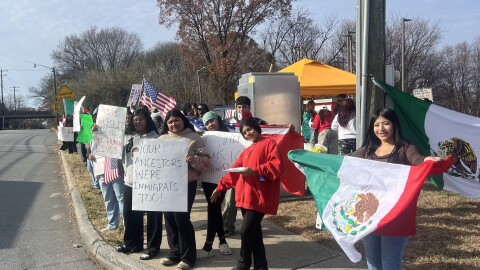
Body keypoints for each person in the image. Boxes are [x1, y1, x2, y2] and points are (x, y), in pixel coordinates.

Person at [350, 108, 441, 270]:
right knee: (373, 263)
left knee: (390, 264)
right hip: (371, 215)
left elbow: (417, 159)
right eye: (377, 125)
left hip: (396, 215)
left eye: (386, 123)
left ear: (395, 125)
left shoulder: (405, 148)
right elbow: (341, 162)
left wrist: (426, 160)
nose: (381, 129)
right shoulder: (367, 151)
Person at [211, 117, 283, 270]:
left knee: (246, 232)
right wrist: (220, 187)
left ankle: (243, 264)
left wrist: (255, 171)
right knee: (254, 235)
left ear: (256, 128)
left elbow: (276, 166)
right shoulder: (246, 151)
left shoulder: (269, 143)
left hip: (258, 199)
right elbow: (233, 172)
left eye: (249, 129)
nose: (248, 133)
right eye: (244, 132)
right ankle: (261, 266)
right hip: (245, 199)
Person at [159, 109, 210, 270]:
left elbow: (206, 161)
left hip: (186, 184)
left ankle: (188, 257)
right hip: (166, 184)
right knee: (169, 217)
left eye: (176, 120)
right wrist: (138, 153)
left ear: (183, 121)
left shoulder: (194, 138)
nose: (173, 124)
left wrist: (194, 160)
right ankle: (175, 253)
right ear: (166, 124)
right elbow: (151, 159)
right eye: (170, 122)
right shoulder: (161, 139)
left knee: (181, 218)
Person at [116, 108, 163, 261]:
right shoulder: (128, 137)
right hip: (130, 181)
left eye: (141, 119)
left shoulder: (156, 139)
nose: (138, 122)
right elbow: (110, 141)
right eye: (135, 120)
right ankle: (132, 244)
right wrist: (97, 131)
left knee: (153, 217)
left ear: (147, 120)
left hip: (150, 183)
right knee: (130, 214)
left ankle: (152, 247)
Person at [224, 95, 267, 236]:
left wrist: (287, 128)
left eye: (244, 107)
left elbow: (273, 132)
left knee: (251, 199)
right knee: (231, 199)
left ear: (249, 107)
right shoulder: (229, 123)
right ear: (236, 108)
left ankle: (251, 226)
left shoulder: (258, 122)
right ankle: (228, 225)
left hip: (251, 167)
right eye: (239, 107)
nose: (242, 109)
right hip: (235, 165)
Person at [196, 111, 233, 261]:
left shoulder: (229, 136)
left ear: (218, 120)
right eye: (207, 123)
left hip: (222, 178)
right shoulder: (203, 137)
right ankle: (222, 241)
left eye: (212, 121)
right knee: (214, 207)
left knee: (214, 207)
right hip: (207, 178)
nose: (210, 125)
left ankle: (208, 245)